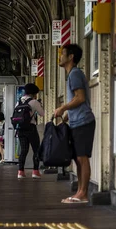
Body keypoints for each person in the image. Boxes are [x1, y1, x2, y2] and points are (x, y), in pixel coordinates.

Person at [54, 44, 95, 204]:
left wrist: (62, 108)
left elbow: (80, 98)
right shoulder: (72, 75)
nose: (60, 56)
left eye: (62, 54)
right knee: (79, 158)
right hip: (77, 121)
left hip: (83, 121)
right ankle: (79, 192)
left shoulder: (75, 74)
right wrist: (65, 117)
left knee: (82, 158)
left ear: (71, 57)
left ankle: (83, 194)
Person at [16, 83, 45, 179]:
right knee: (36, 149)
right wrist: (39, 105)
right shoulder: (34, 102)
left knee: (23, 150)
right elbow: (42, 114)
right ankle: (35, 172)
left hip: (20, 129)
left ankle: (20, 172)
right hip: (31, 128)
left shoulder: (19, 101)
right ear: (33, 93)